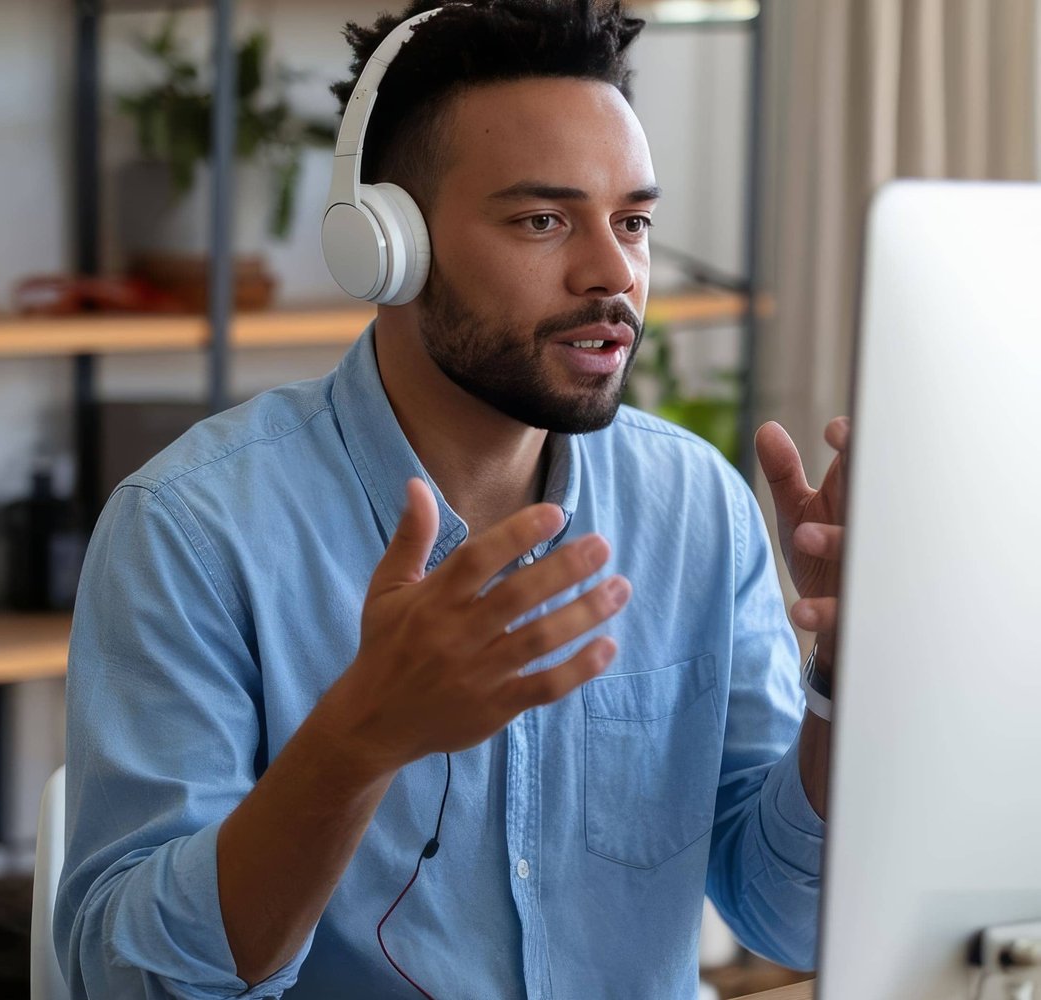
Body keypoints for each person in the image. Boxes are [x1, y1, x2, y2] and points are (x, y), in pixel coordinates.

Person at [55, 0, 847, 996]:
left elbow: (790, 914)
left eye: (634, 221)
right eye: (543, 219)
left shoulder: (697, 506)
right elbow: (128, 980)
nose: (616, 273)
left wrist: (843, 681)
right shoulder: (191, 530)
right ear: (387, 244)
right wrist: (360, 739)